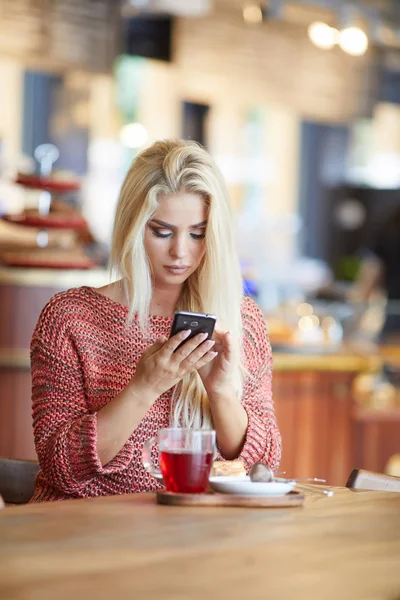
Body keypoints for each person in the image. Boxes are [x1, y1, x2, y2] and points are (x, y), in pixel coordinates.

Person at [30, 139, 281, 502]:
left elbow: (262, 467)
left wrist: (222, 392)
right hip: (86, 534)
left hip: (194, 534)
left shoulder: (241, 319)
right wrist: (144, 388)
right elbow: (61, 469)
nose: (181, 252)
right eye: (161, 232)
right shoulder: (70, 318)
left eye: (198, 233)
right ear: (132, 227)